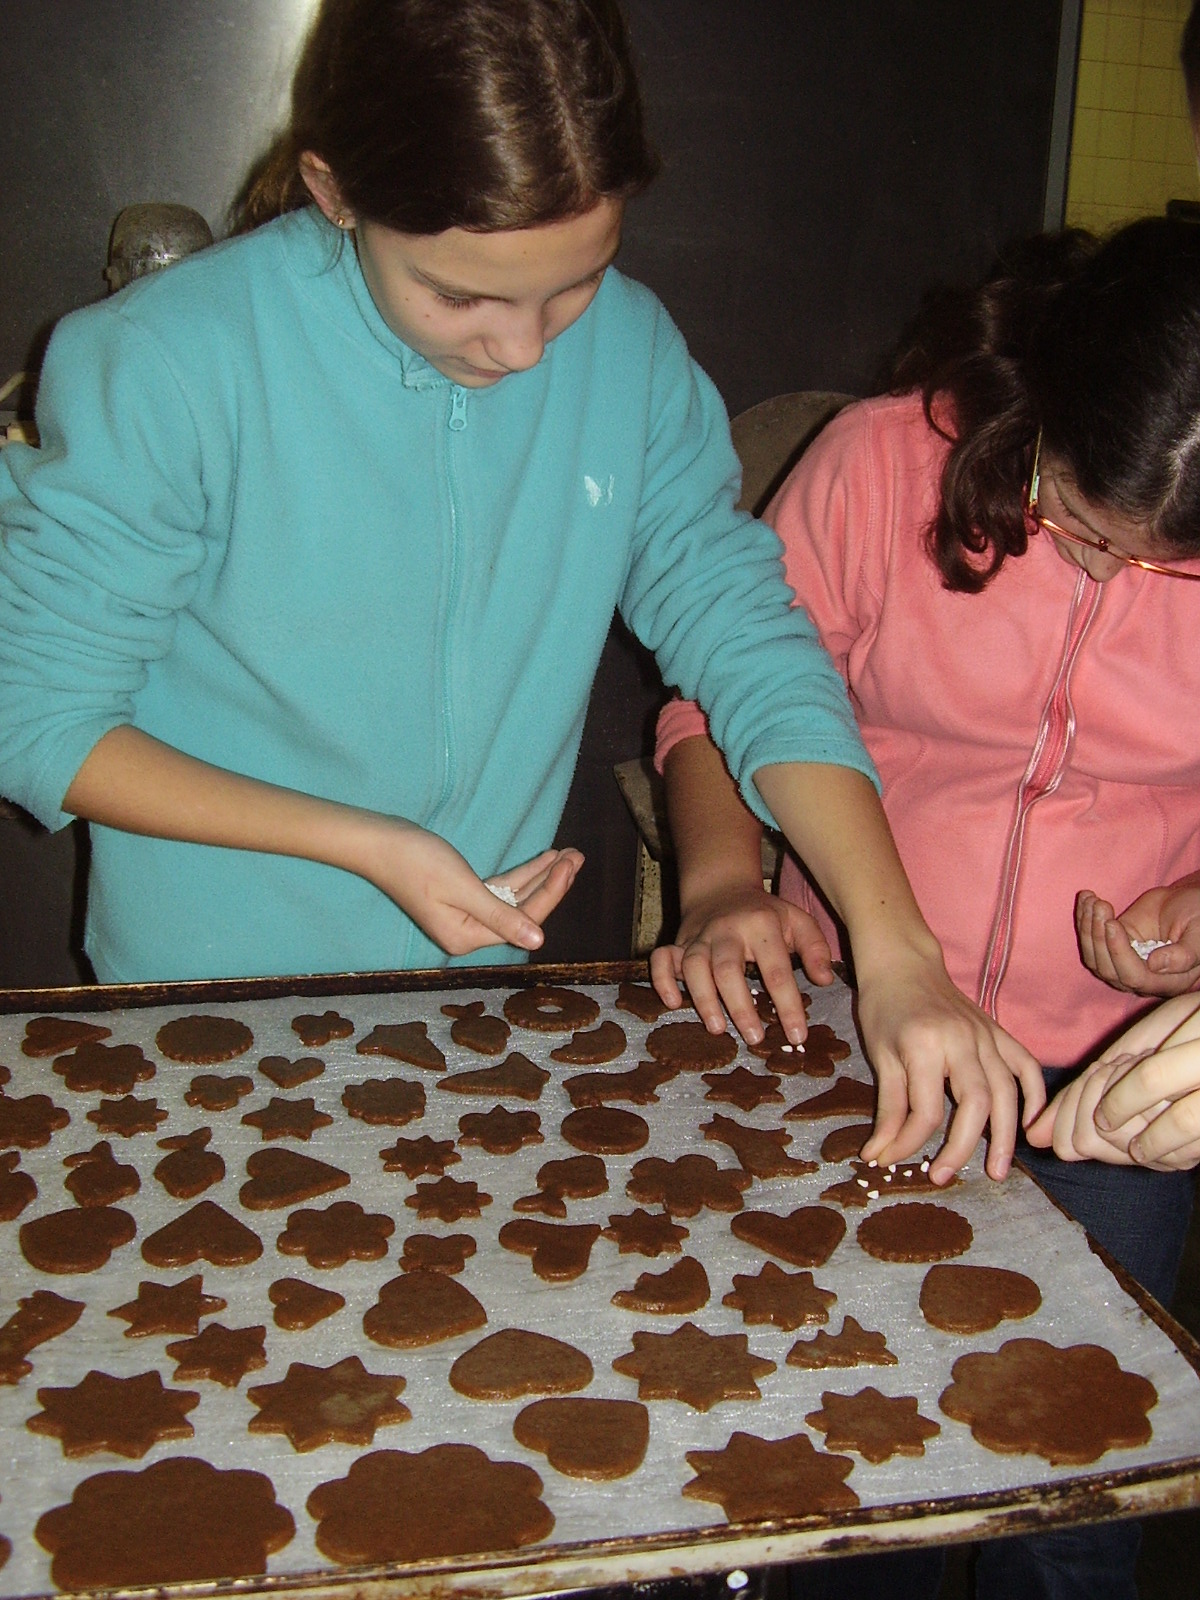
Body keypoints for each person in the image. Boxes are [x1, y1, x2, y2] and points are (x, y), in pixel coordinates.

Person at [0, 0, 1034, 1171]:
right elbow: (38, 720)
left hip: (468, 1002)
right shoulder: (169, 359)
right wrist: (370, 845)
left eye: (575, 282)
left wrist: (899, 950)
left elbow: (746, 638)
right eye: (459, 295)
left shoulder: (633, 354)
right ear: (335, 192)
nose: (526, 348)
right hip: (210, 1007)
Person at [653, 216, 1200, 1599]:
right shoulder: (880, 462)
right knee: (858, 1445)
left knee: (1076, 1497)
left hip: (1110, 1086)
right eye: (1079, 525)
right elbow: (722, 700)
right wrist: (724, 881)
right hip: (851, 1039)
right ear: (1040, 401)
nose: (1107, 576)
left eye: (1165, 564)